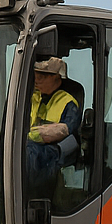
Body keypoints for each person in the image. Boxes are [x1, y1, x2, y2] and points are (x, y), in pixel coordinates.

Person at [26, 56, 79, 195]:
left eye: (42, 76)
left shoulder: (68, 103)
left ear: (56, 77)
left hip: (52, 151)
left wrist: (31, 135)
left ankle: (29, 195)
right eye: (36, 75)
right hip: (31, 145)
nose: (37, 80)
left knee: (28, 153)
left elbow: (66, 130)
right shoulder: (30, 98)